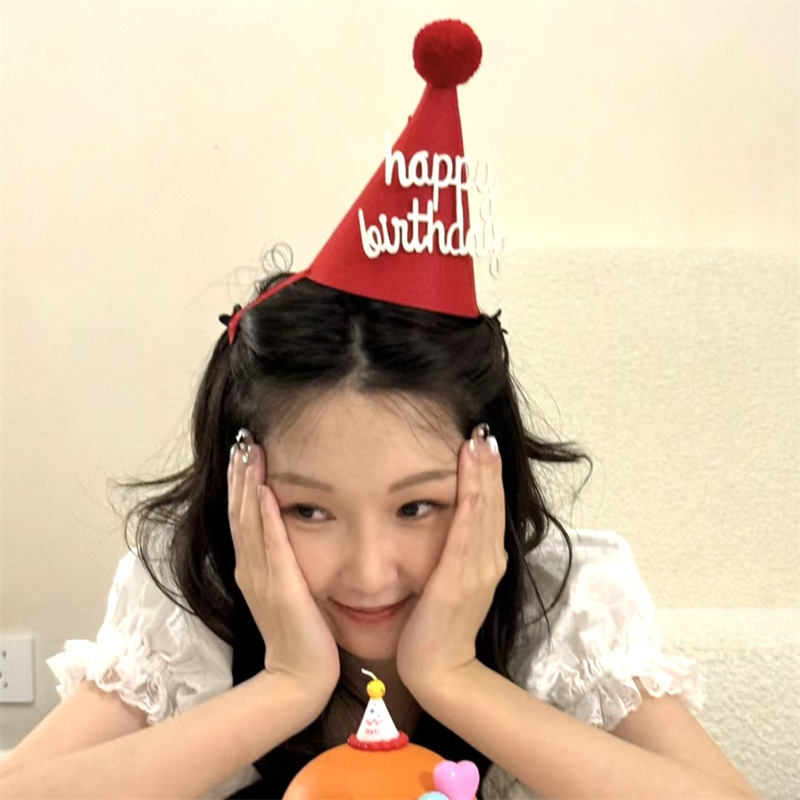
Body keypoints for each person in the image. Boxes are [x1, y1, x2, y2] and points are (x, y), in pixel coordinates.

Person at [1, 19, 758, 800]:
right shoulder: (196, 606)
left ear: (488, 478)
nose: (369, 573)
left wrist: (456, 676)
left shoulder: (555, 607)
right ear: (242, 487)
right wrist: (287, 685)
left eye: (417, 506)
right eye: (309, 511)